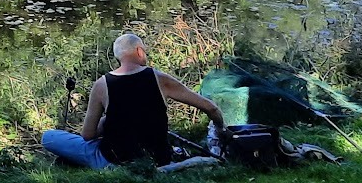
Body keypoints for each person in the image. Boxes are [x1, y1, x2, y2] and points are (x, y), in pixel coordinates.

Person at [42, 33, 228, 170]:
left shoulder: (102, 85)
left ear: (118, 57)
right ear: (139, 51)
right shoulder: (159, 78)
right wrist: (220, 130)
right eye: (144, 51)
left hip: (112, 160)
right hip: (159, 159)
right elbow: (211, 108)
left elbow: (88, 135)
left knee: (49, 137)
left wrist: (109, 121)